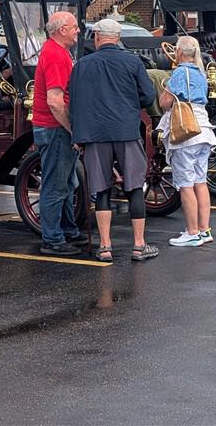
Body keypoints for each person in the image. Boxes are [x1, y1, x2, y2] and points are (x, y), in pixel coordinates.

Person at [70, 18, 158, 262]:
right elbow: (148, 96)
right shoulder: (132, 61)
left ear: (97, 37)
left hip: (95, 134)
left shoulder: (82, 65)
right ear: (118, 38)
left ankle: (105, 246)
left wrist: (78, 136)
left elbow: (75, 103)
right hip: (126, 131)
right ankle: (139, 245)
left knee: (101, 189)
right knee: (134, 187)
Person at [31, 11, 86, 256]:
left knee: (66, 182)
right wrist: (73, 130)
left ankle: (68, 230)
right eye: (74, 27)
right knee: (55, 185)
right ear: (62, 29)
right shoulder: (56, 55)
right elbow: (55, 101)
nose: (78, 31)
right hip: (55, 129)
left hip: (53, 127)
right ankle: (53, 238)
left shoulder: (56, 52)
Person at [158, 36, 216, 247]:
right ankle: (204, 229)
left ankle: (192, 232)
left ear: (180, 53)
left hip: (186, 132)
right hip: (204, 130)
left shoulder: (179, 73)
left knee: (185, 184)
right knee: (200, 182)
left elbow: (165, 102)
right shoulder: (200, 73)